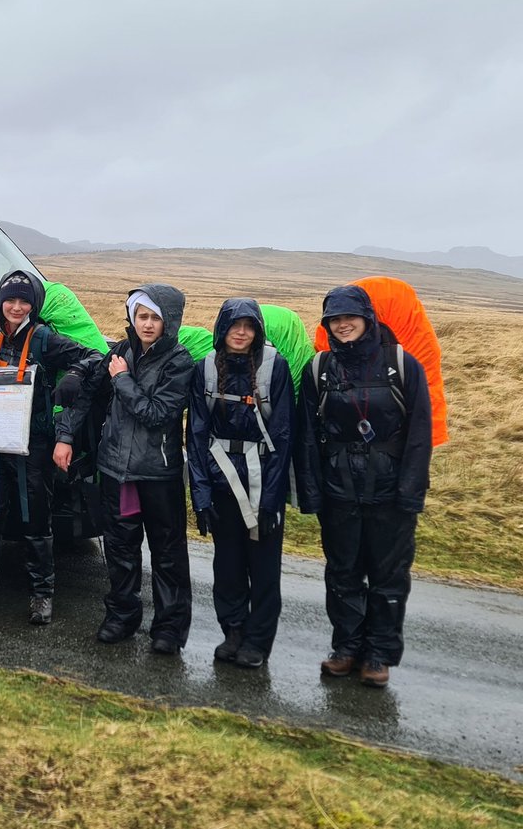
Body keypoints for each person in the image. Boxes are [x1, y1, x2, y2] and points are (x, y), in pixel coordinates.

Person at [298, 284, 432, 688]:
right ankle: (346, 649)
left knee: (388, 576)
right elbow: (307, 437)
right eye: (334, 319)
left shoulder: (402, 365)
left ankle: (378, 654)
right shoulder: (319, 369)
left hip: (391, 493)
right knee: (343, 573)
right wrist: (312, 492)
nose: (342, 325)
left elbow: (419, 435)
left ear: (368, 318)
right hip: (339, 490)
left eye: (349, 317)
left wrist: (410, 492)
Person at [54, 284, 193, 653]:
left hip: (158, 475)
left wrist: (123, 380)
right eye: (141, 316)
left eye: (155, 318)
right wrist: (65, 436)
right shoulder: (121, 352)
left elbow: (156, 413)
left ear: (169, 321)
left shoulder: (179, 362)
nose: (147, 324)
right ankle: (121, 617)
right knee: (120, 549)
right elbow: (87, 390)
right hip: (118, 472)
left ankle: (169, 629)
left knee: (167, 553)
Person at [0, 270, 99, 626]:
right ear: (0, 301)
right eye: (10, 299)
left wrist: (75, 374)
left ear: (33, 305)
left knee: (35, 519)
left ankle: (41, 592)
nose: (17, 307)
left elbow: (94, 355)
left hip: (32, 446)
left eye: (25, 301)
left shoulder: (44, 339)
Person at [186, 299, 294, 668]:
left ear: (258, 330)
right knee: (227, 563)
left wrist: (271, 503)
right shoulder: (206, 369)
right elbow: (196, 435)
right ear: (222, 328)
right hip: (220, 483)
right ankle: (233, 630)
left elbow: (282, 435)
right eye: (235, 325)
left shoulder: (274, 368)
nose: (242, 332)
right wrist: (200, 497)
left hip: (262, 482)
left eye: (249, 326)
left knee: (263, 565)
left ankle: (258, 642)